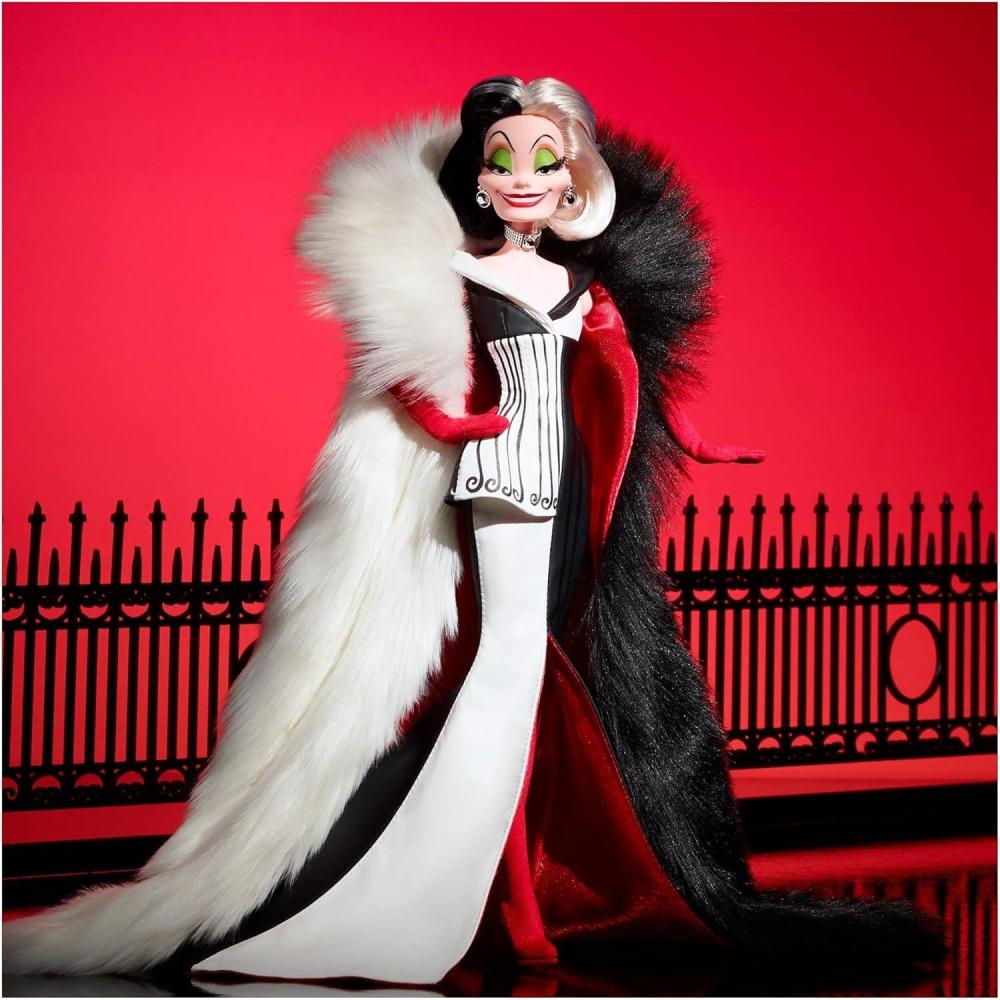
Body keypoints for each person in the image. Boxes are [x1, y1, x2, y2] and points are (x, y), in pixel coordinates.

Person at [2, 75, 940, 986]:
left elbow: (625, 380)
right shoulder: (462, 273)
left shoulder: (579, 282)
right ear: (480, 179)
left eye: (543, 161)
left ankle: (508, 884)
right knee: (506, 663)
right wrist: (450, 422)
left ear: (573, 183)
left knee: (546, 664)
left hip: (568, 485)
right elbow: (404, 368)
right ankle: (424, 890)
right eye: (502, 159)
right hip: (499, 480)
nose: (521, 178)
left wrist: (697, 439)